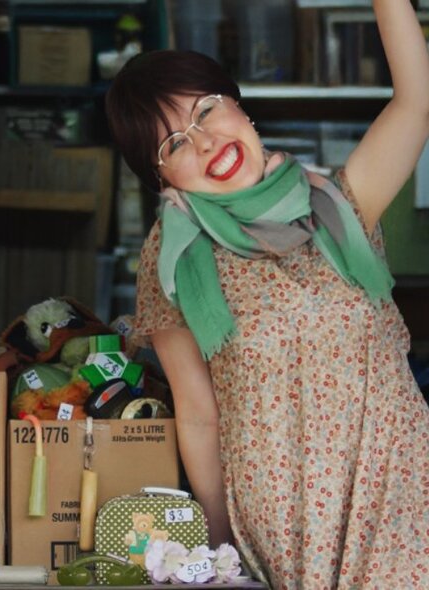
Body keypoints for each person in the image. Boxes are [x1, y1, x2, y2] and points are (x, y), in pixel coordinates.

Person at [106, 0, 429, 587]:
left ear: (239, 106)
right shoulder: (172, 257)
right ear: (163, 178)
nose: (203, 142)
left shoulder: (344, 206)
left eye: (206, 110)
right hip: (280, 519)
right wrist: (218, 536)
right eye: (174, 143)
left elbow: (416, 102)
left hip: (399, 495)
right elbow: (200, 416)